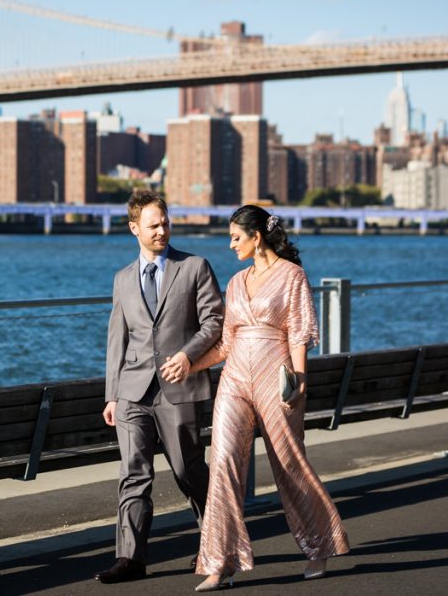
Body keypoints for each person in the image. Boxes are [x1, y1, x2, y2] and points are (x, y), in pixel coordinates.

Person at [177, 205, 349, 591]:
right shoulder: (236, 282)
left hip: (278, 378)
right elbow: (226, 343)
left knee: (289, 462)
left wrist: (299, 381)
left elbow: (300, 332)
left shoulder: (292, 277)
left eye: (235, 236)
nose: (230, 243)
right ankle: (221, 563)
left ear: (257, 237)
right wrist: (190, 364)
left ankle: (319, 546)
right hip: (235, 379)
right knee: (222, 461)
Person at [94, 190, 225, 584]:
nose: (162, 231)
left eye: (165, 222)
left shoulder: (195, 267)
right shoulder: (121, 280)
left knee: (188, 468)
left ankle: (214, 542)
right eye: (153, 225)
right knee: (133, 474)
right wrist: (112, 395)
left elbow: (214, 322)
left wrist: (188, 356)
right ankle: (131, 559)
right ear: (134, 228)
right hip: (133, 392)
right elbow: (117, 339)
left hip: (179, 387)